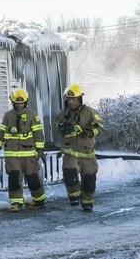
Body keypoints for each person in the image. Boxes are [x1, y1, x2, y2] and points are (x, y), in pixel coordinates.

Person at [0, 88, 46, 212]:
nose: (20, 105)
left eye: (22, 103)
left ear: (26, 102)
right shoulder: (8, 116)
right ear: (13, 102)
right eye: (17, 103)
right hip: (12, 155)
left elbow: (38, 134)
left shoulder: (32, 115)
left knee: (33, 178)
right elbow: (1, 133)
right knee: (14, 179)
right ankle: (16, 203)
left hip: (29, 155)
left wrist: (40, 150)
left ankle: (39, 200)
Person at [54, 84, 104, 212]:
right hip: (70, 153)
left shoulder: (90, 112)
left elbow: (100, 127)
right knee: (70, 174)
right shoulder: (64, 113)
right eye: (69, 99)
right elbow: (56, 125)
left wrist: (90, 132)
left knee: (89, 181)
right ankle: (74, 197)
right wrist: (61, 126)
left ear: (80, 99)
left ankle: (88, 203)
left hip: (87, 153)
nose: (71, 102)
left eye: (74, 99)